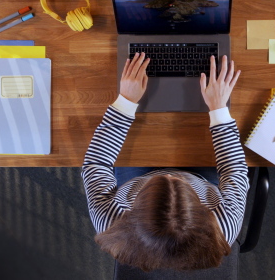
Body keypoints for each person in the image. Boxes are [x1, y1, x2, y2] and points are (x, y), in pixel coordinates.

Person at [81, 52, 249, 271]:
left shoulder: (113, 222)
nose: (171, 174)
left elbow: (96, 164)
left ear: (133, 211)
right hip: (201, 178)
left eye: (164, 180)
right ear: (202, 212)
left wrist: (125, 102)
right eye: (176, 182)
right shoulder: (222, 226)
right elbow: (234, 172)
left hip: (137, 177)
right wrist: (218, 108)